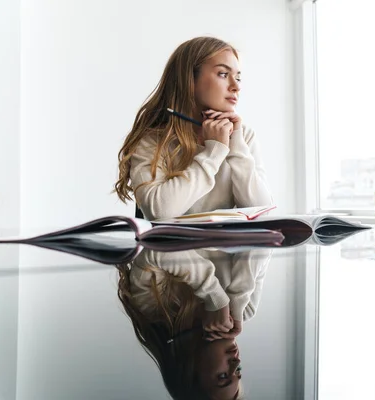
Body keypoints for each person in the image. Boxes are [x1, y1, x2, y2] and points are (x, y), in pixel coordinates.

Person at [114, 37, 273, 220]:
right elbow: (158, 212)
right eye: (223, 74)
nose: (236, 86)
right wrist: (214, 153)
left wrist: (236, 146)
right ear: (189, 79)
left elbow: (263, 212)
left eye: (238, 77)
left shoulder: (243, 136)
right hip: (170, 248)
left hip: (230, 248)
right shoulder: (153, 140)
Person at [116, 247, 272, 399]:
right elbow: (265, 241)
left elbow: (159, 249)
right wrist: (238, 296)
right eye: (238, 370)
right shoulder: (244, 308)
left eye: (223, 375)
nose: (236, 361)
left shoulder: (155, 309)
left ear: (190, 370)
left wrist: (214, 297)